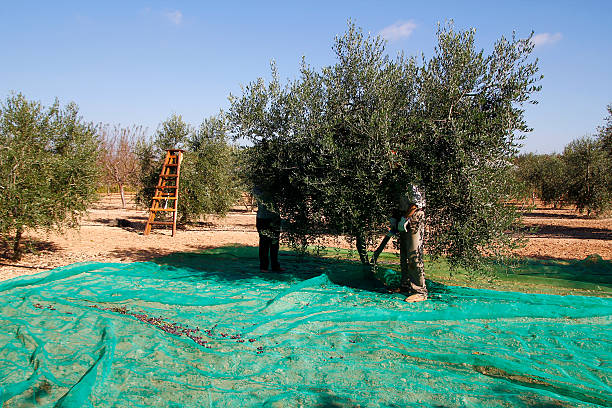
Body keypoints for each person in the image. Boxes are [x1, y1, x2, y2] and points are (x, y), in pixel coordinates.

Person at [372, 184, 427, 302]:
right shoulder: (398, 180)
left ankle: (420, 292)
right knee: (404, 255)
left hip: (414, 217)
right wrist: (394, 218)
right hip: (403, 216)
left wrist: (405, 219)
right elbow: (397, 204)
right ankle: (405, 286)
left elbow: (416, 203)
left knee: (413, 254)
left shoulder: (411, 179)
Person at [253, 187, 284, 272]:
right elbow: (263, 197)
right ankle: (264, 267)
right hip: (263, 218)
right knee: (264, 243)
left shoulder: (274, 184)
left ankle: (275, 265)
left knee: (275, 243)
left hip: (274, 217)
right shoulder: (257, 187)